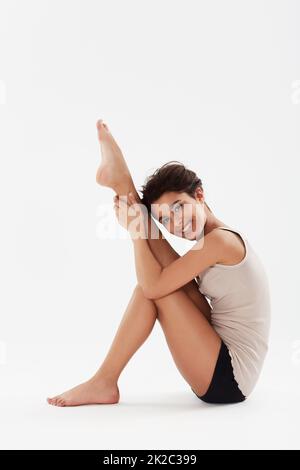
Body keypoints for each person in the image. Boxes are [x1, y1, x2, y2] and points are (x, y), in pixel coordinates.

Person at [47, 120, 271, 407]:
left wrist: (136, 231)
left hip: (229, 379)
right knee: (160, 279)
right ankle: (122, 181)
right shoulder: (212, 240)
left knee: (149, 288)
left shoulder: (219, 243)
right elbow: (164, 278)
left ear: (199, 195)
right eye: (164, 219)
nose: (175, 222)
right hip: (215, 350)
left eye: (178, 207)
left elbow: (153, 286)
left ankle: (104, 382)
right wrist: (140, 225)